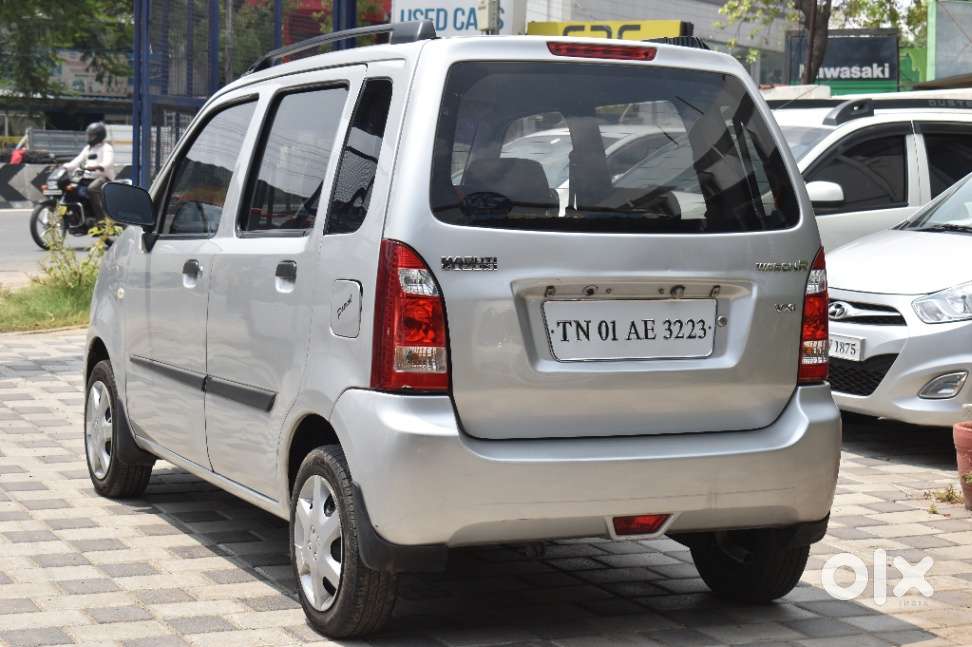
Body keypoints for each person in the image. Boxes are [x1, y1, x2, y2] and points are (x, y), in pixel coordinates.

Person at [63, 122, 115, 218]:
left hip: (103, 178)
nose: (89, 138)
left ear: (98, 136)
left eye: (91, 136)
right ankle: (79, 214)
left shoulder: (106, 147)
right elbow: (77, 160)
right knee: (71, 187)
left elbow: (108, 162)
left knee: (92, 189)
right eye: (88, 135)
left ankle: (101, 220)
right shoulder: (88, 148)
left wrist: (99, 166)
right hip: (87, 176)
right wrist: (65, 166)